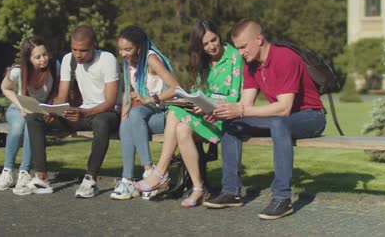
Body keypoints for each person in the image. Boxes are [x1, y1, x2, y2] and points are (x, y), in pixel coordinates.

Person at [203, 19, 326, 220]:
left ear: (258, 39)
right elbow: (246, 104)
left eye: (243, 47)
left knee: (278, 122)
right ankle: (231, 192)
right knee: (233, 124)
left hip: (311, 116)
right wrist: (224, 112)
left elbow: (284, 108)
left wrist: (241, 111)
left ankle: (282, 197)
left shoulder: (285, 58)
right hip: (282, 119)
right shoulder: (250, 65)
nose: (240, 53)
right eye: (237, 48)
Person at [134, 20, 243, 208]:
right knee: (181, 126)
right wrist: (191, 101)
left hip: (223, 117)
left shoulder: (235, 57)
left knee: (176, 115)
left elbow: (235, 97)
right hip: (204, 114)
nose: (211, 46)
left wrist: (211, 105)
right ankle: (198, 188)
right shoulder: (204, 62)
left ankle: (160, 172)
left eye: (214, 40)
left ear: (219, 35)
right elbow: (198, 93)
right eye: (206, 44)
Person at [16, 25, 120, 197]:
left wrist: (84, 113)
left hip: (107, 113)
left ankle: (90, 180)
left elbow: (109, 102)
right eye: (74, 49)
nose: (78, 54)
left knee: (101, 122)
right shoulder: (68, 59)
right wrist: (53, 110)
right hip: (82, 112)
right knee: (35, 117)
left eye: (83, 50)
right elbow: (62, 97)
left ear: (94, 45)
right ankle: (41, 178)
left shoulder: (107, 60)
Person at [110, 25, 180, 200]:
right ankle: (127, 180)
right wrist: (122, 121)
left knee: (134, 116)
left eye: (128, 49)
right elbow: (128, 94)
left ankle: (150, 173)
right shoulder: (128, 63)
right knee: (127, 123)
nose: (123, 53)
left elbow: (175, 88)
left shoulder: (151, 60)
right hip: (149, 112)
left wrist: (150, 99)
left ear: (140, 46)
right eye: (120, 49)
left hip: (168, 114)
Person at [0, 36, 57, 194]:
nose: (43, 59)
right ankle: (7, 170)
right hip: (17, 109)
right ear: (28, 59)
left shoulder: (55, 66)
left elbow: (57, 91)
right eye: (37, 57)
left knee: (32, 125)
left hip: (39, 111)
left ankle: (24, 172)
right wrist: (20, 103)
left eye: (44, 54)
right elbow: (5, 88)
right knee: (17, 127)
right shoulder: (18, 71)